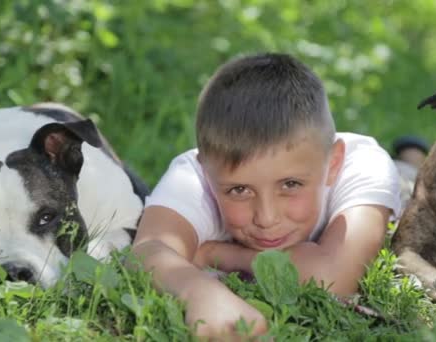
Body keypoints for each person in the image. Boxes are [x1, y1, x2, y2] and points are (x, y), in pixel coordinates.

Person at [131, 53, 401, 338]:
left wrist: (220, 254)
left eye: (291, 184)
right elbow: (146, 252)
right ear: (206, 175)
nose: (266, 218)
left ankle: (410, 153)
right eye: (240, 190)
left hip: (395, 178)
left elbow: (334, 280)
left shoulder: (363, 165)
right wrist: (198, 291)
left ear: (332, 164)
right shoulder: (192, 177)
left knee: (408, 174)